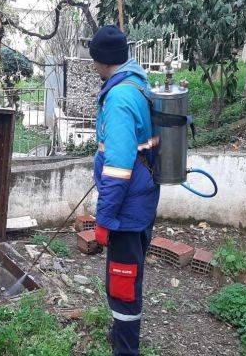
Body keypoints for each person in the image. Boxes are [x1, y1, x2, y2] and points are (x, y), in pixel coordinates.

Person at [89, 25, 160, 356]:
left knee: (122, 284)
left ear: (103, 61)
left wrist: (103, 220)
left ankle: (125, 350)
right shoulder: (137, 83)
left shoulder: (119, 98)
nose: (92, 66)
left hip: (126, 211)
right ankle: (121, 335)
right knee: (128, 280)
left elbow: (117, 170)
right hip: (140, 203)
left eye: (93, 60)